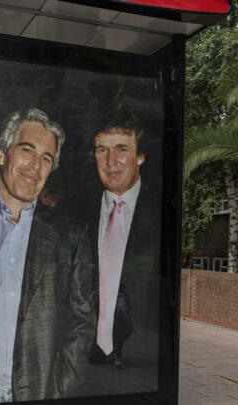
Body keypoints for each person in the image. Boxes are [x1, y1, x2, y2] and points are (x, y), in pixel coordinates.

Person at [0, 108, 95, 404]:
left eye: (46, 158)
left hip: (38, 392)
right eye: (27, 150)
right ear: (2, 154)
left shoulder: (71, 236)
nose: (36, 166)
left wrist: (60, 391)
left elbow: (82, 325)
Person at [83, 117, 161, 393]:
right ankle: (101, 349)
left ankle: (116, 352)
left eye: (122, 149)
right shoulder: (82, 206)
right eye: (102, 150)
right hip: (95, 299)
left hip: (127, 294)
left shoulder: (156, 209)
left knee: (123, 319)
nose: (110, 161)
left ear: (140, 157)